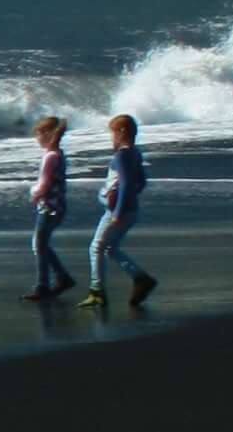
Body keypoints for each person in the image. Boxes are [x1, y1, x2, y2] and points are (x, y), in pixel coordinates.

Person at [83, 111, 156, 308]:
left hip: (117, 213)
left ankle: (97, 291)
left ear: (122, 132)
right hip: (131, 211)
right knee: (110, 249)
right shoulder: (135, 153)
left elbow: (124, 184)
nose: (111, 137)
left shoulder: (122, 156)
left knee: (96, 248)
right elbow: (141, 182)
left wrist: (117, 211)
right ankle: (140, 278)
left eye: (113, 132)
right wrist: (129, 198)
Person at [26, 114, 74, 296]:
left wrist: (34, 192)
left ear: (46, 134)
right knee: (42, 244)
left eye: (38, 134)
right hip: (58, 206)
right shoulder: (59, 154)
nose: (37, 139)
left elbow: (44, 184)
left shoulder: (50, 157)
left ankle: (43, 285)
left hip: (49, 207)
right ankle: (61, 277)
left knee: (39, 244)